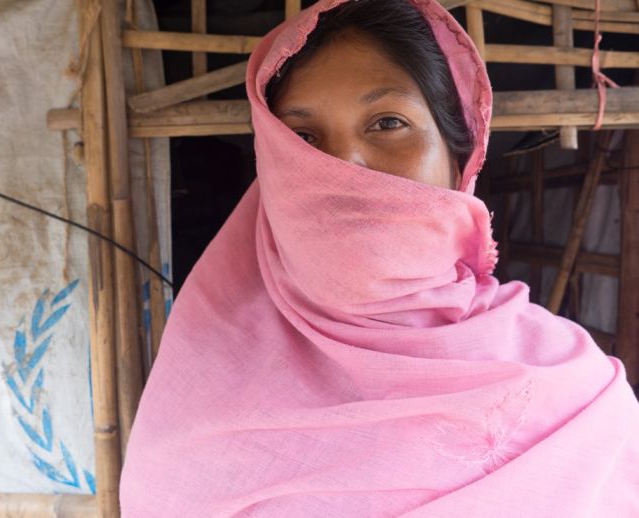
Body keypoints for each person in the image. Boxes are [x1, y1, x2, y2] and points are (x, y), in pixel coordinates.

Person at [120, 0, 639, 516]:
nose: (346, 166)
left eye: (388, 122)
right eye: (302, 138)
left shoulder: (577, 397)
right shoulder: (200, 406)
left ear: (461, 155)